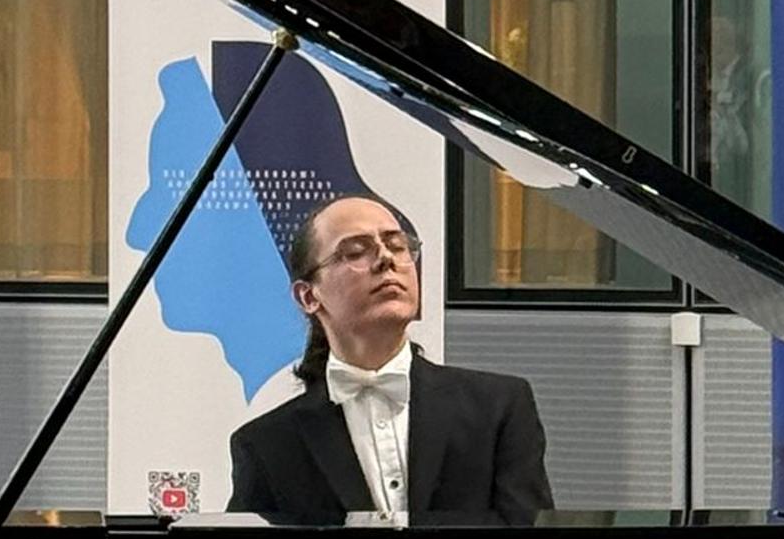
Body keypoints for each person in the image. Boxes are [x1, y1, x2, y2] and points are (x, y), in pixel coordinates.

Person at [227, 195, 554, 517]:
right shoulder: (266, 445)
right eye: (355, 252)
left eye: (398, 246)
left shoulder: (499, 407)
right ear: (309, 296)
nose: (386, 259)